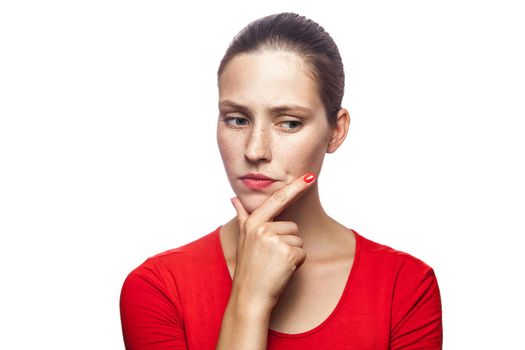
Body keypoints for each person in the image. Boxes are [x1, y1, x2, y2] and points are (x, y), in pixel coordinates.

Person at [119, 12, 443, 349]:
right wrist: (249, 299)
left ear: (336, 131)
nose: (255, 151)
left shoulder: (404, 286)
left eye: (289, 123)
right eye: (237, 119)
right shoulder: (157, 288)